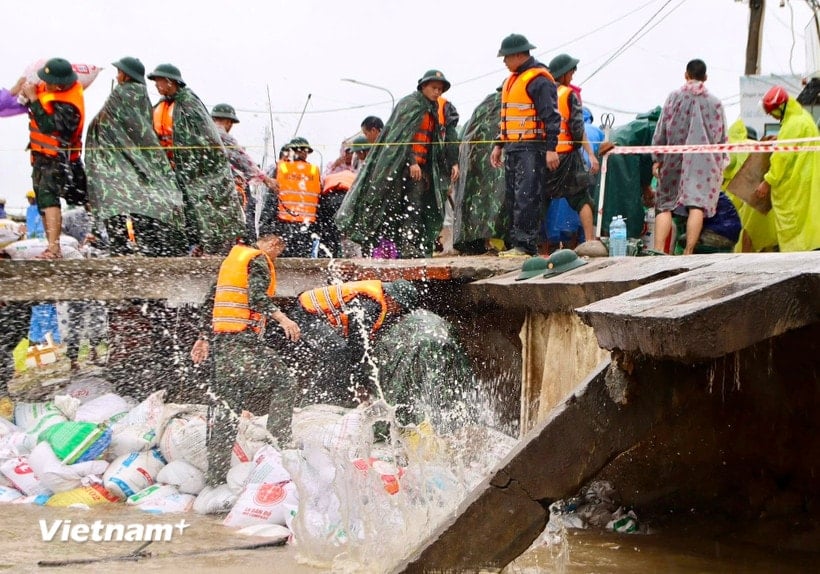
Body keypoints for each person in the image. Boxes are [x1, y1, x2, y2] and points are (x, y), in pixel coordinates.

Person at [190, 234, 301, 488]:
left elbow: (210, 302)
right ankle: (278, 447)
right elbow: (257, 298)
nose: (276, 258)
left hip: (222, 346)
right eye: (279, 253)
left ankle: (216, 479)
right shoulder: (258, 260)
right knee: (285, 382)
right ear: (274, 244)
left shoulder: (231, 262)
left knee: (227, 411)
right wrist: (284, 319)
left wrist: (202, 337)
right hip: (244, 343)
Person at [336, 69, 459, 258]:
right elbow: (401, 139)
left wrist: (437, 166)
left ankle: (409, 245)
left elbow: (435, 143)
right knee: (389, 206)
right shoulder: (409, 104)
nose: (437, 92)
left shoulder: (434, 110)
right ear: (423, 86)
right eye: (434, 88)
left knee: (415, 207)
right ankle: (383, 246)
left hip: (420, 170)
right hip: (398, 168)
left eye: (440, 90)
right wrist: (412, 162)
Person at [86, 57, 188, 257]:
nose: (117, 76)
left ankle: (119, 247)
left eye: (119, 72)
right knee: (141, 202)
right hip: (136, 159)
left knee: (113, 203)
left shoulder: (122, 93)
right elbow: (140, 130)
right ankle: (148, 246)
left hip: (114, 162)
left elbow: (108, 124)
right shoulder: (143, 97)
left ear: (125, 74)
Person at [148, 63, 244, 255]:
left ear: (170, 82)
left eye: (159, 81)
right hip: (167, 172)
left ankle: (201, 247)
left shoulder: (189, 104)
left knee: (198, 213)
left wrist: (183, 160)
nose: (156, 85)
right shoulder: (159, 106)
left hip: (193, 174)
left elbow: (205, 141)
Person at [290, 278, 419, 406]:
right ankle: (319, 398)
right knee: (338, 351)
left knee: (344, 352)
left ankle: (336, 392)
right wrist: (361, 381)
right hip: (305, 313)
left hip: (316, 315)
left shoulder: (377, 300)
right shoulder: (369, 305)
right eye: (399, 307)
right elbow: (357, 344)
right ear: (392, 298)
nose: (398, 311)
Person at [490, 34, 561, 258]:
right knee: (513, 196)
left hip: (532, 146)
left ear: (520, 55)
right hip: (514, 146)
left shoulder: (538, 79)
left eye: (507, 57)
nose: (504, 62)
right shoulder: (512, 80)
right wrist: (499, 144)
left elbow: (552, 117)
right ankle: (517, 243)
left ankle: (526, 245)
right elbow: (508, 117)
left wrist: (551, 148)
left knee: (527, 195)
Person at [652, 59, 727, 254]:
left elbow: (661, 129)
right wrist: (720, 163)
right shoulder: (715, 102)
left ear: (686, 75)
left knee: (665, 204)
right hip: (704, 161)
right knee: (697, 205)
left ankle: (659, 250)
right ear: (706, 77)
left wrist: (658, 157)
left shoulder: (674, 97)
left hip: (673, 157)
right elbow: (722, 136)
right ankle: (688, 252)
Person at [19, 57, 88, 259]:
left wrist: (33, 100)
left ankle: (54, 248)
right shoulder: (50, 90)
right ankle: (51, 247)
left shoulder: (70, 105)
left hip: (56, 159)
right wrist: (27, 94)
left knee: (50, 199)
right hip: (40, 156)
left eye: (49, 81)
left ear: (60, 84)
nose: (45, 84)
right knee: (42, 199)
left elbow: (50, 126)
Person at [543, 53, 599, 247]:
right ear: (564, 74)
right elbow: (577, 127)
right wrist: (588, 153)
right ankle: (590, 242)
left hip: (545, 155)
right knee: (581, 198)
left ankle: (540, 246)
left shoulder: (540, 94)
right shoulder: (569, 95)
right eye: (571, 72)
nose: (573, 76)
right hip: (567, 155)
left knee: (540, 200)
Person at [755, 85, 820, 252]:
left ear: (782, 106)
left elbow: (781, 159)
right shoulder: (803, 118)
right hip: (807, 182)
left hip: (795, 187)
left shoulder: (792, 125)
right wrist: (780, 138)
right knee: (809, 226)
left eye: (773, 111)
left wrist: (767, 181)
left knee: (797, 233)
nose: (771, 115)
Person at [211, 103, 278, 243]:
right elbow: (243, 159)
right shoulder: (222, 135)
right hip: (228, 189)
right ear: (229, 122)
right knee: (242, 228)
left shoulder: (202, 135)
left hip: (208, 191)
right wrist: (266, 179)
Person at [452, 87, 507, 255]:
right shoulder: (508, 103)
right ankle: (498, 243)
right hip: (494, 161)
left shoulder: (486, 104)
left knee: (481, 202)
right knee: (499, 200)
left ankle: (477, 242)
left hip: (474, 164)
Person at [258, 136, 322, 257]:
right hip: (305, 223)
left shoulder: (280, 168)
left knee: (283, 258)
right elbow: (319, 195)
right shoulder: (314, 170)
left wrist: (265, 223)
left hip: (284, 221)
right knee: (301, 259)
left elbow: (271, 197)